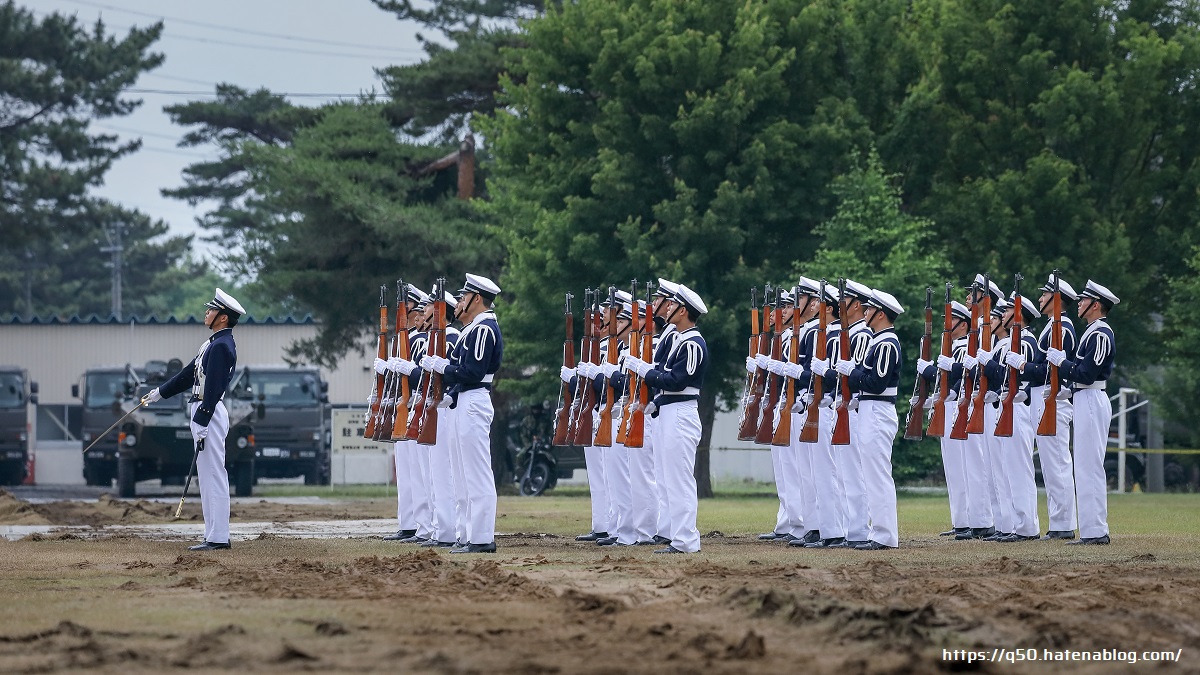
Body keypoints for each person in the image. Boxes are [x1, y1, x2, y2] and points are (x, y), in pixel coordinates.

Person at [145, 288, 245, 551]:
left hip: (208, 411)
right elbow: (189, 374)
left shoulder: (222, 346)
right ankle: (212, 534)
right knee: (207, 474)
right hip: (204, 410)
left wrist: (202, 419)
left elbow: (213, 387)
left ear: (223, 318)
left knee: (214, 474)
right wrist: (159, 393)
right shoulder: (212, 343)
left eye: (212, 310)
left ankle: (218, 537)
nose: (207, 312)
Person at [422, 273, 503, 553]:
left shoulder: (483, 329)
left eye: (464, 296)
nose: (459, 301)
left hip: (474, 401)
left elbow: (473, 372)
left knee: (476, 472)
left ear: (476, 299)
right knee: (461, 473)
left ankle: (481, 536)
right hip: (462, 402)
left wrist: (443, 368)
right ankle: (467, 534)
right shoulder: (472, 329)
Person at [624, 284, 708, 554]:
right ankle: (674, 534)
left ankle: (686, 539)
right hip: (668, 412)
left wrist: (643, 370)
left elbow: (676, 380)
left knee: (679, 479)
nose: (667, 308)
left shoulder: (693, 343)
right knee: (665, 478)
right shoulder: (679, 340)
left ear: (683, 311)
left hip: (681, 413)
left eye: (673, 305)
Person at [1048, 280, 1118, 545]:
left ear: (1096, 305)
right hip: (1083, 398)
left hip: (1091, 399)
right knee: (1085, 466)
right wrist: (1067, 389)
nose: (1078, 303)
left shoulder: (1100, 334)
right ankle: (1092, 530)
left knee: (1090, 467)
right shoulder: (1091, 332)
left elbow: (1087, 374)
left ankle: (1096, 531)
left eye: (1083, 300)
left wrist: (1061, 362)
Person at [1009, 274, 1078, 540]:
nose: (1040, 298)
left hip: (1053, 400)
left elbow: (1053, 371)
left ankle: (1063, 525)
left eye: (1045, 294)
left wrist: (1024, 366)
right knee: (1051, 466)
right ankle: (1059, 522)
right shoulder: (1051, 327)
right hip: (1042, 398)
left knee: (1057, 463)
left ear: (1056, 299)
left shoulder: (1064, 328)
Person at [834, 289, 903, 550]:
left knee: (878, 476)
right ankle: (879, 532)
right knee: (871, 475)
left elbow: (875, 382)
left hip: (877, 410)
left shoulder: (886, 343)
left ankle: (885, 535)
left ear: (881, 314)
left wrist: (851, 372)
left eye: (870, 309)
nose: (865, 313)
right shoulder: (878, 341)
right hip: (869, 410)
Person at [376, 284, 431, 543]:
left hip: (413, 407)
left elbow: (418, 376)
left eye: (410, 306)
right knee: (406, 473)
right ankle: (408, 523)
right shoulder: (406, 339)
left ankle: (422, 526)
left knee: (418, 473)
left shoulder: (418, 340)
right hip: (402, 407)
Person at [916, 300, 971, 537]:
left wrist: (929, 371)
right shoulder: (952, 346)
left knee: (963, 465)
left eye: (951, 321)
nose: (946, 325)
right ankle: (960, 520)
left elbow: (960, 376)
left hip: (959, 408)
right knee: (952, 467)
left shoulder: (967, 345)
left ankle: (970, 519)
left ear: (963, 324)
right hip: (946, 406)